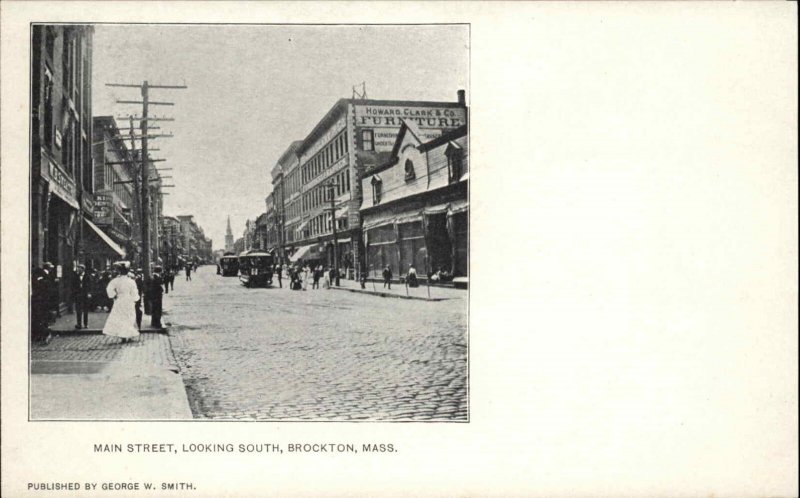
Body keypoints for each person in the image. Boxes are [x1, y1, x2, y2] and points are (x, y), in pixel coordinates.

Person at [102, 264, 140, 343]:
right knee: (129, 317)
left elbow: (109, 288)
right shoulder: (131, 281)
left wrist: (114, 295)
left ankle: (122, 335)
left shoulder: (116, 280)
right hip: (129, 300)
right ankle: (127, 334)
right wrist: (135, 299)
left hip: (120, 299)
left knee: (120, 317)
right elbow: (134, 292)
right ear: (127, 272)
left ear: (119, 271)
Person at [31, 267, 51, 343]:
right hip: (40, 302)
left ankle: (41, 335)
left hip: (40, 302)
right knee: (39, 319)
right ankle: (40, 335)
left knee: (39, 318)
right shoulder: (41, 280)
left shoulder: (41, 280)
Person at [71, 264, 93, 329]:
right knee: (78, 310)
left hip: (85, 294)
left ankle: (86, 324)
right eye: (77, 268)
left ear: (83, 269)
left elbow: (91, 285)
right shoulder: (75, 276)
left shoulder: (88, 276)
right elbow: (73, 286)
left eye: (79, 268)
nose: (78, 270)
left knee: (85, 310)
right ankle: (79, 324)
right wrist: (74, 293)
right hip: (78, 295)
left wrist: (89, 293)